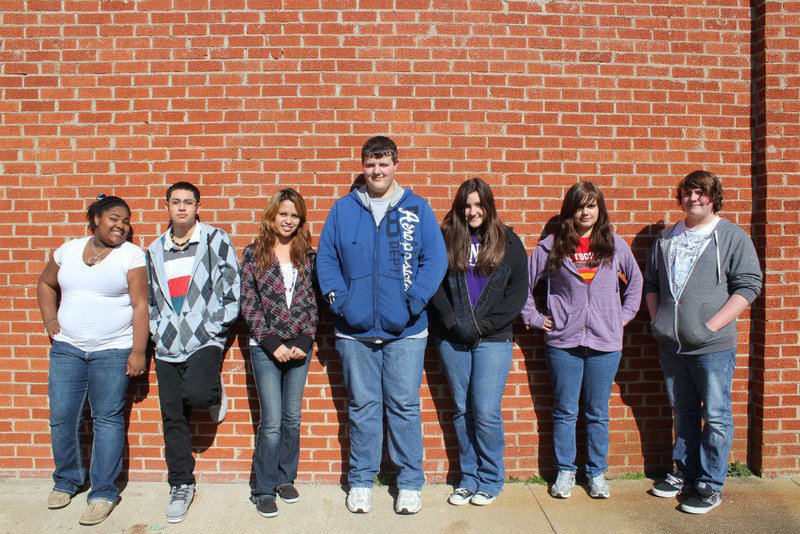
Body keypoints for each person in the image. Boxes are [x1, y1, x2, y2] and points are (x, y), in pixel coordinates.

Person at [316, 136, 447, 515]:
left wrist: (414, 301)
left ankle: (409, 483)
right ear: (362, 167)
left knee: (405, 405)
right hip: (354, 331)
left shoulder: (416, 208)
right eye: (371, 164)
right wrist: (341, 302)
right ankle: (361, 481)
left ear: (395, 165)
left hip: (406, 330)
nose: (377, 171)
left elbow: (434, 260)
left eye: (384, 164)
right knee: (362, 406)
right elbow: (326, 260)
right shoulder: (343, 209)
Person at [645, 170, 762, 514]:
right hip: (672, 345)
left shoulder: (730, 236)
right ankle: (686, 472)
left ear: (713, 197)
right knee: (682, 413)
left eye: (701, 192)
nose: (693, 198)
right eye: (687, 192)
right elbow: (651, 282)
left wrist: (710, 326)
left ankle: (710, 484)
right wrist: (657, 320)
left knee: (715, 415)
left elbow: (749, 285)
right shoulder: (667, 237)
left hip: (712, 346)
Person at [521, 182, 643, 500]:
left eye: (591, 205)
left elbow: (637, 280)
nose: (585, 212)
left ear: (599, 209)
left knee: (597, 411)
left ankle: (596, 473)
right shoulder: (551, 246)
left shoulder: (614, 245)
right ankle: (565, 471)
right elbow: (524, 284)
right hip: (563, 343)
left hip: (605, 342)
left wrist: (624, 315)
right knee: (564, 411)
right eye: (579, 206)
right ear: (570, 210)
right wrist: (535, 318)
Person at [37, 194, 148, 526]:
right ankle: (67, 479)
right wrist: (50, 321)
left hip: (113, 350)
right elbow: (45, 283)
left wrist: (138, 351)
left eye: (126, 221)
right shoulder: (68, 250)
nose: (121, 225)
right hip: (68, 349)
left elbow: (141, 304)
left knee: (107, 419)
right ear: (96, 218)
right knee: (62, 416)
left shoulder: (131, 255)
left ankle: (103, 492)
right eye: (115, 218)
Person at [427, 178, 528, 506]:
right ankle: (468, 478)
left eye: (478, 204)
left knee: (484, 410)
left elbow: (517, 294)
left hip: (493, 339)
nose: (472, 211)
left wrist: (480, 325)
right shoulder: (445, 239)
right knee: (461, 409)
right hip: (452, 336)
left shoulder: (508, 242)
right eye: (466, 205)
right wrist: (454, 322)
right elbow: (433, 284)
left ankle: (491, 478)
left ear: (488, 206)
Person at [145, 182, 240, 523]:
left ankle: (212, 388)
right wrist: (156, 332)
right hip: (166, 346)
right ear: (167, 206)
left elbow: (232, 290)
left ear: (198, 206)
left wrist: (212, 328)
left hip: (204, 340)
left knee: (198, 394)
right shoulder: (155, 249)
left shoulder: (216, 240)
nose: (182, 207)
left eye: (188, 202)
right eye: (176, 202)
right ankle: (181, 483)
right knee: (172, 416)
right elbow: (151, 299)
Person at [240, 189, 318, 518]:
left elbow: (315, 303)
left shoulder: (308, 256)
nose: (288, 220)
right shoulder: (254, 253)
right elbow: (249, 303)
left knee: (292, 417)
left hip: (300, 347)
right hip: (265, 348)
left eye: (294, 215)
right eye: (283, 214)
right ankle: (263, 488)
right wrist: (272, 343)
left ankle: (286, 478)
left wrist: (304, 340)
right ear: (272, 216)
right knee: (271, 422)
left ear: (301, 220)